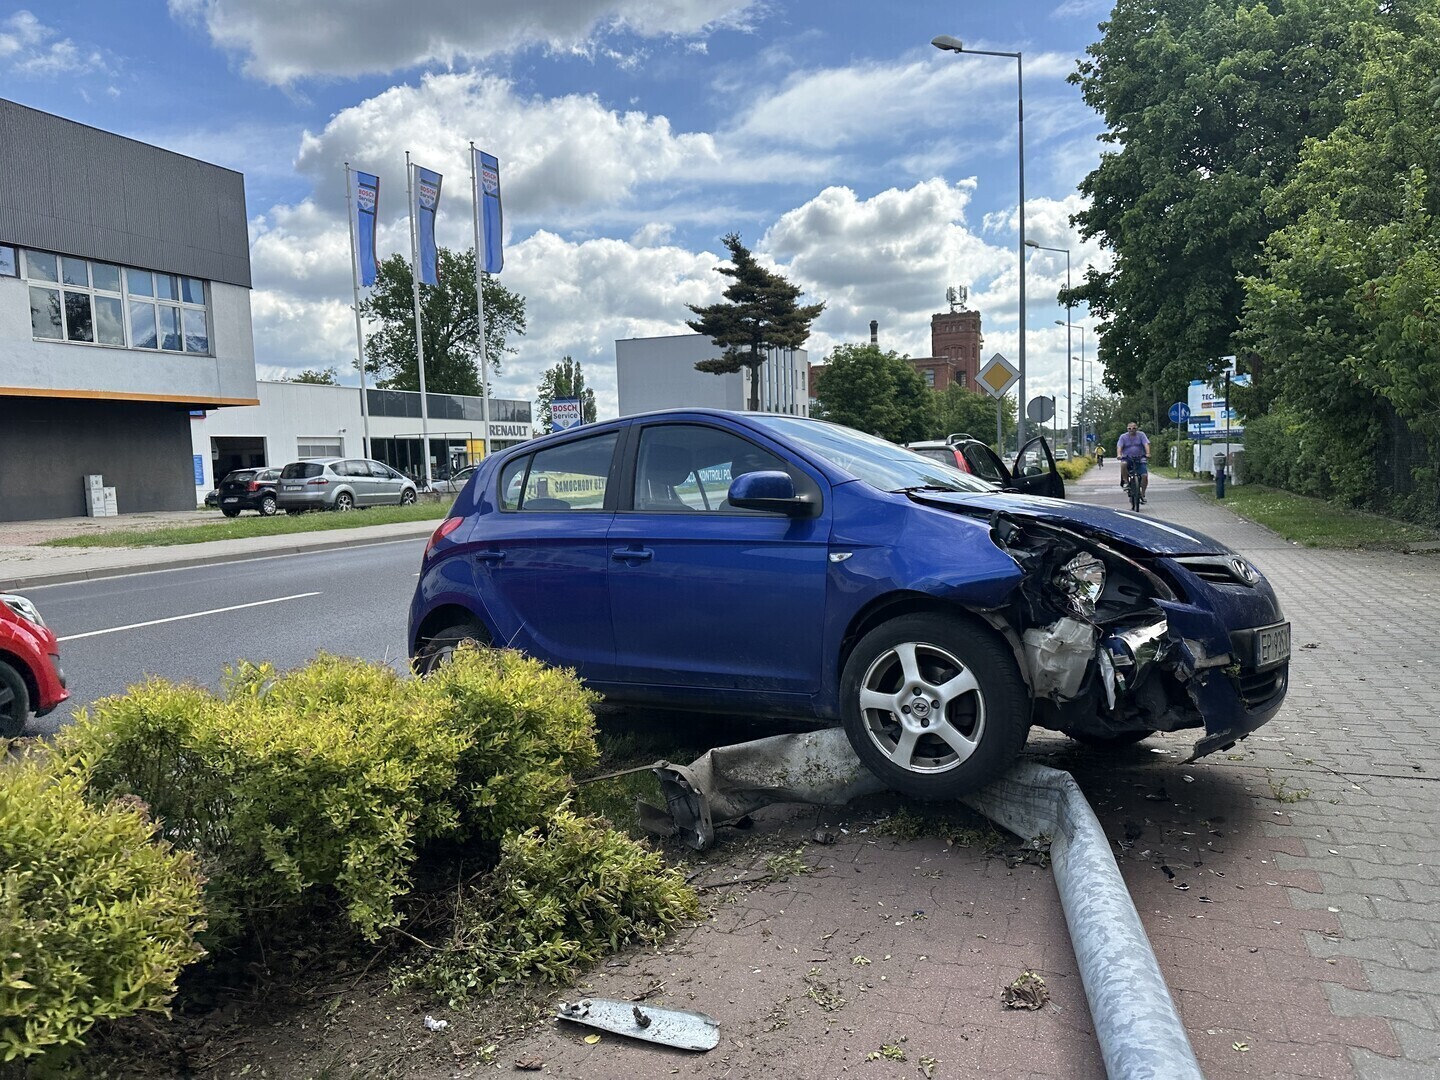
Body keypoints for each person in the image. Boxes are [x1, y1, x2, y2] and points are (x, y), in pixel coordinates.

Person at [1116, 422, 1150, 503]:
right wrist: (1119, 454)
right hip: (1127, 458)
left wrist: (1148, 453)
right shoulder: (1123, 437)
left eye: (1134, 428)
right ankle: (1126, 482)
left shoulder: (1141, 435)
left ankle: (1143, 494)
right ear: (1127, 429)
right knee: (1123, 464)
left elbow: (1146, 444)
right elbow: (1119, 446)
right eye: (1129, 428)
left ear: (1137, 429)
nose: (1132, 430)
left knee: (1144, 476)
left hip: (1140, 458)